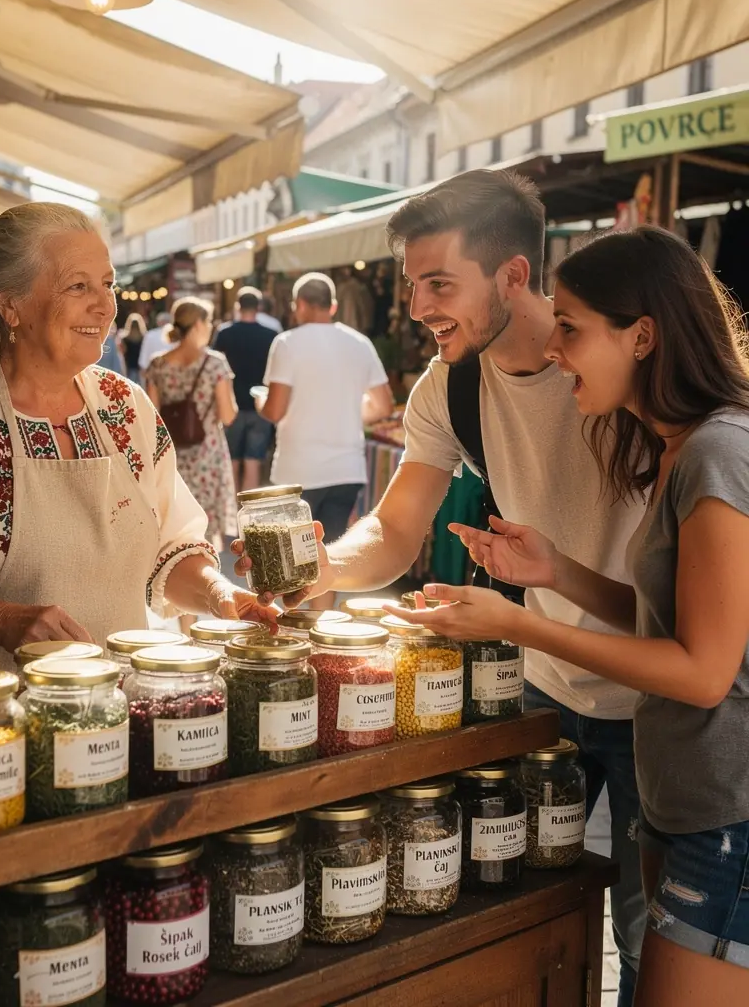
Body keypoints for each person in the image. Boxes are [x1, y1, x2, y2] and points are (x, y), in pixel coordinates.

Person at [235, 170, 647, 1006]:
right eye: (412, 283)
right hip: (537, 689)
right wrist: (319, 569)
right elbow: (392, 530)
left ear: (514, 276)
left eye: (438, 283)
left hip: (661, 702)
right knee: (517, 909)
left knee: (648, 939)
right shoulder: (448, 386)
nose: (419, 305)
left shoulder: (626, 374)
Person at [393, 226, 749, 1007]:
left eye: (574, 330)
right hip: (688, 801)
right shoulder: (682, 449)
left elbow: (703, 670)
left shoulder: (715, 454)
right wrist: (556, 573)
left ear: (644, 335)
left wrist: (517, 622)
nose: (557, 350)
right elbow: (664, 619)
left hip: (730, 819)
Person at [0, 202, 275, 671]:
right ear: (11, 305)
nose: (105, 305)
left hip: (118, 711)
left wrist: (218, 591)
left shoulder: (127, 409)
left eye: (107, 284)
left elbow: (171, 546)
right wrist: (0, 621)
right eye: (78, 286)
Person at [256, 271, 393, 609]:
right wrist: (345, 412)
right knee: (326, 557)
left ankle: (287, 640)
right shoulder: (359, 343)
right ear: (333, 306)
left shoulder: (287, 343)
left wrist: (259, 400)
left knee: (286, 561)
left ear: (299, 305)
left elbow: (274, 410)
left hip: (297, 472)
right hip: (346, 469)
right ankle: (320, 636)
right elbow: (383, 406)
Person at [146, 297, 238, 550]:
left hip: (172, 459)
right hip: (208, 457)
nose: (210, 327)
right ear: (198, 324)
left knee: (177, 532)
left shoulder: (158, 364)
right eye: (208, 322)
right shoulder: (215, 364)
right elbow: (228, 415)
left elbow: (152, 417)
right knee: (205, 535)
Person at [213, 286, 276, 493]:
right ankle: (247, 512)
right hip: (259, 405)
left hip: (231, 404)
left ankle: (232, 511)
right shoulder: (271, 336)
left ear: (238, 306)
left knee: (231, 460)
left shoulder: (225, 333)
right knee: (253, 460)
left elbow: (214, 368)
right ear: (259, 307)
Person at [138, 310, 176, 383]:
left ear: (158, 322)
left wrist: (143, 368)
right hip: (170, 371)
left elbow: (144, 353)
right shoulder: (175, 336)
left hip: (153, 371)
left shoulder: (150, 335)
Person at [121, 312, 146, 383]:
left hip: (129, 365)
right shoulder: (144, 338)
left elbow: (123, 352)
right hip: (141, 365)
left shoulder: (125, 338)